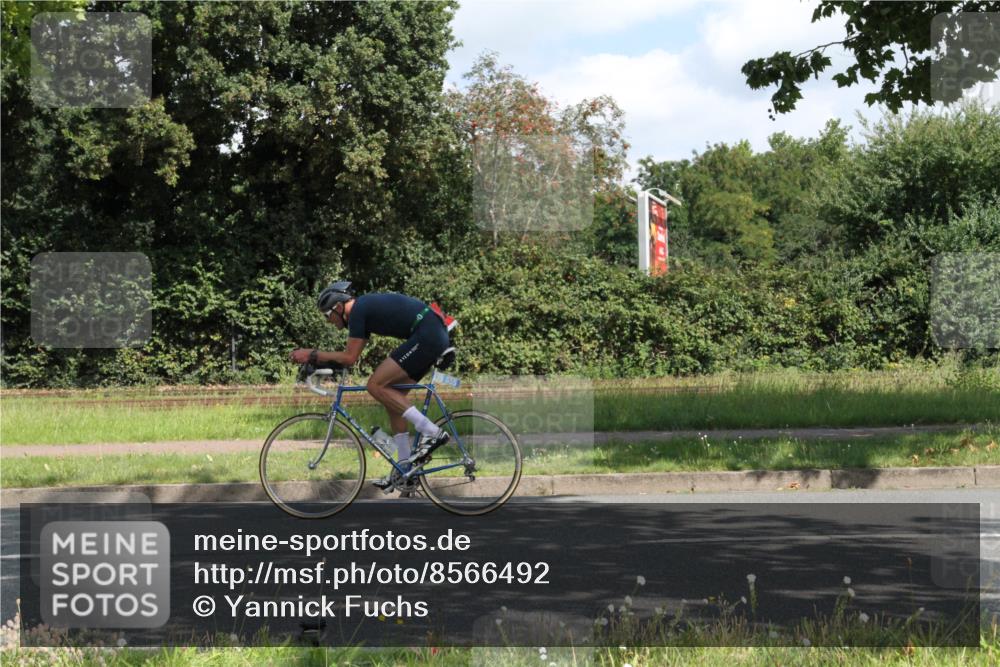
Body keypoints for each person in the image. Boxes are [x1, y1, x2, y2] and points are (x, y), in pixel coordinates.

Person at [289, 281, 450, 489]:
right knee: (392, 398)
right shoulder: (362, 311)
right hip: (431, 333)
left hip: (427, 334)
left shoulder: (357, 311)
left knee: (375, 385)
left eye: (326, 315)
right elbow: (350, 357)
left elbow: (349, 357)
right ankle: (405, 470)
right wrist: (319, 359)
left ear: (337, 307)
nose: (328, 322)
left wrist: (312, 354)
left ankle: (432, 431)